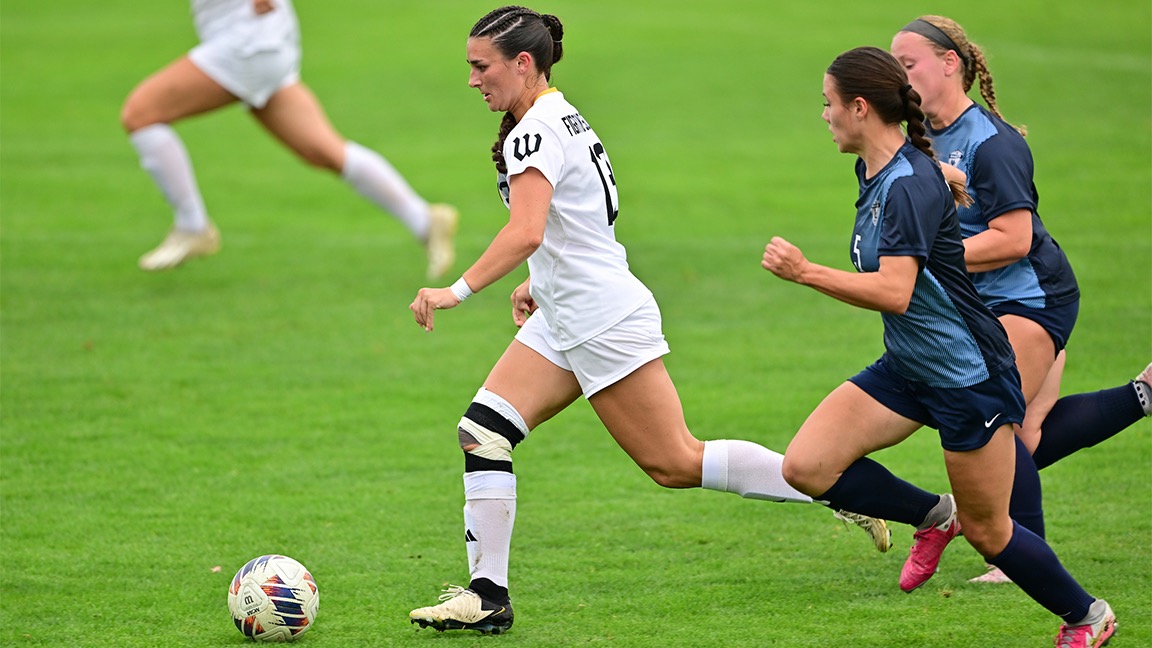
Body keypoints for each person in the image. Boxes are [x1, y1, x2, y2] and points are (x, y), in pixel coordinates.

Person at [404, 6, 889, 635]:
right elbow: (574, 225)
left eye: (481, 65)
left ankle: (839, 488)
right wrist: (540, 280)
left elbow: (526, 229)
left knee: (676, 463)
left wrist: (456, 290)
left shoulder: (534, 131)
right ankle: (487, 596)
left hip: (600, 319)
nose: (472, 79)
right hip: (569, 311)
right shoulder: (556, 114)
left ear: (523, 63)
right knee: (483, 433)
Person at [762, 46, 1116, 645]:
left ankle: (1088, 617)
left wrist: (805, 272)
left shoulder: (903, 184)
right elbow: (924, 186)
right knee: (807, 465)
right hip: (909, 365)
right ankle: (933, 515)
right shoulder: (883, 168)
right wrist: (943, 179)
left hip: (966, 376)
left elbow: (896, 292)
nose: (823, 115)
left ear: (859, 106)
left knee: (991, 531)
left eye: (828, 103)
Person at [891, 15, 1152, 587]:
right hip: (986, 305)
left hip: (1032, 297)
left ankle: (1010, 558)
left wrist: (928, 253)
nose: (901, 77)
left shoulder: (991, 143)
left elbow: (1015, 239)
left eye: (908, 65)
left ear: (949, 63)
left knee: (996, 423)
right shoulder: (920, 139)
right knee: (1027, 432)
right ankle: (1145, 393)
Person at [121, 0, 457, 278]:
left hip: (247, 41)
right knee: (323, 150)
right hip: (261, 37)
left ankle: (192, 226)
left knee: (141, 114)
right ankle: (424, 219)